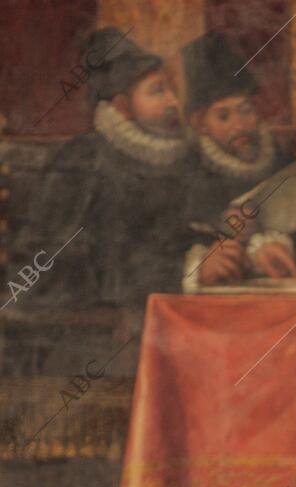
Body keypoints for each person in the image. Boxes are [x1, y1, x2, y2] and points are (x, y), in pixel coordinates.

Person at [25, 28, 202, 308]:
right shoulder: (83, 161)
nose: (174, 102)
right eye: (158, 91)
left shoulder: (180, 157)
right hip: (90, 326)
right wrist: (188, 268)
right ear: (123, 107)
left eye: (171, 89)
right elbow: (76, 265)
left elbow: (174, 235)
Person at [181, 31, 296, 287]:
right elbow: (182, 240)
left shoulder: (280, 159)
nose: (239, 125)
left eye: (245, 111)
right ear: (200, 124)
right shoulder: (188, 171)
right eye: (223, 117)